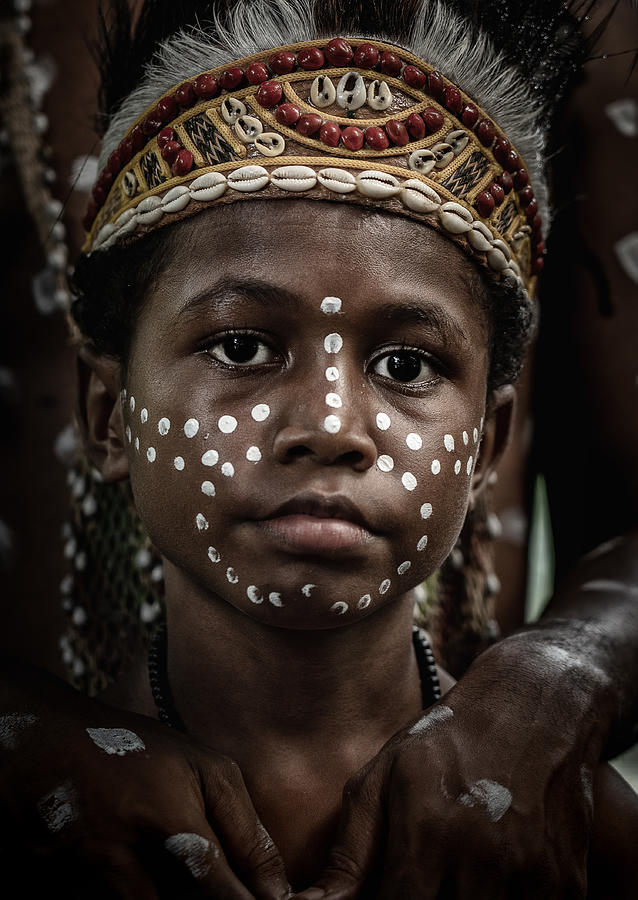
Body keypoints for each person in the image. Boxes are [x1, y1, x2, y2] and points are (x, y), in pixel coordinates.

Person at [2, 0, 638, 897]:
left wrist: (553, 688)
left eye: (406, 363)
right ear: (109, 414)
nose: (331, 425)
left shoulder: (580, 844)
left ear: (487, 439)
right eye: (242, 347)